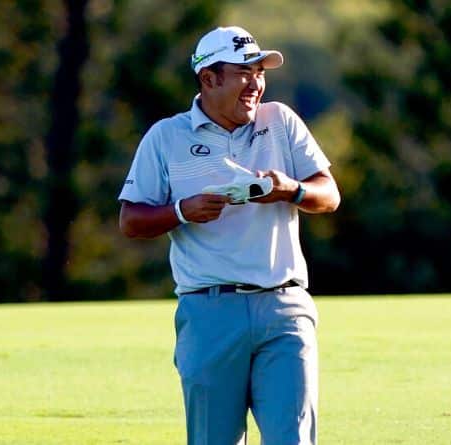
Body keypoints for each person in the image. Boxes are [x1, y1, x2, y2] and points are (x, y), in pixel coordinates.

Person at [118, 25, 340, 445]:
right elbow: (131, 220)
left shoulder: (282, 121)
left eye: (259, 71)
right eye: (244, 72)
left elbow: (329, 195)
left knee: (292, 439)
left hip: (284, 306)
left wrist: (290, 190)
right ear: (209, 79)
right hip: (209, 312)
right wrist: (183, 211)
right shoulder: (166, 136)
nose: (255, 82)